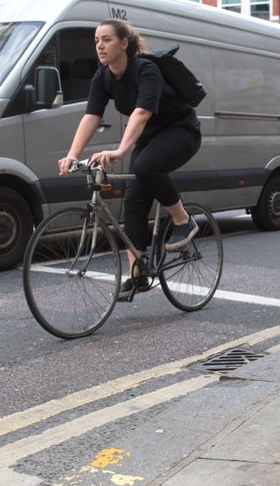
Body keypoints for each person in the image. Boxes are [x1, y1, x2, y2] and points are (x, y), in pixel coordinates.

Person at [58, 19, 202, 299]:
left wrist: (121, 151)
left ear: (124, 43)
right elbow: (91, 115)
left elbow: (141, 113)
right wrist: (72, 155)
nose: (100, 45)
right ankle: (138, 274)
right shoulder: (103, 77)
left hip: (181, 131)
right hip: (150, 138)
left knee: (146, 167)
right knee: (134, 198)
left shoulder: (145, 70)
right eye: (97, 40)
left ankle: (184, 220)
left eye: (107, 39)